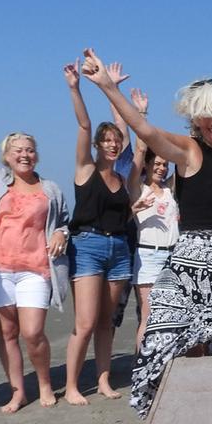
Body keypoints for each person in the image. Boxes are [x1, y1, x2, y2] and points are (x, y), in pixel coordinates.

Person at [79, 51, 212, 418]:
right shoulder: (189, 150)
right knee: (179, 342)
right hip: (193, 267)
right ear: (195, 117)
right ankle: (185, 411)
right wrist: (109, 89)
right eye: (208, 114)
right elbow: (146, 132)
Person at [0, 79, 71, 412]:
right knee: (7, 334)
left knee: (32, 333)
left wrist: (62, 233)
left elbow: (63, 221)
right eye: (17, 150)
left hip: (36, 269)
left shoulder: (50, 188)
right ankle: (18, 391)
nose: (24, 154)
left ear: (36, 155)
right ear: (6, 156)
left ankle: (46, 383)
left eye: (29, 149)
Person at [62, 60, 132, 405]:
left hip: (119, 250)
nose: (111, 144)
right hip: (87, 246)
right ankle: (72, 385)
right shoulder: (84, 169)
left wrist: (114, 91)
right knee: (86, 323)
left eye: (114, 140)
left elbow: (132, 136)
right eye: (105, 140)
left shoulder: (122, 178)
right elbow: (84, 124)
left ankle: (103, 381)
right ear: (97, 145)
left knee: (107, 324)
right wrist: (76, 88)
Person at [128, 132, 179, 353]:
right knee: (148, 315)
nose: (161, 168)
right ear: (147, 165)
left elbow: (187, 162)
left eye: (165, 164)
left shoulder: (169, 189)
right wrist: (141, 115)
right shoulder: (138, 187)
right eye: (157, 163)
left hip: (173, 255)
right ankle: (141, 364)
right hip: (148, 256)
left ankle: (165, 359)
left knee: (172, 313)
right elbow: (139, 151)